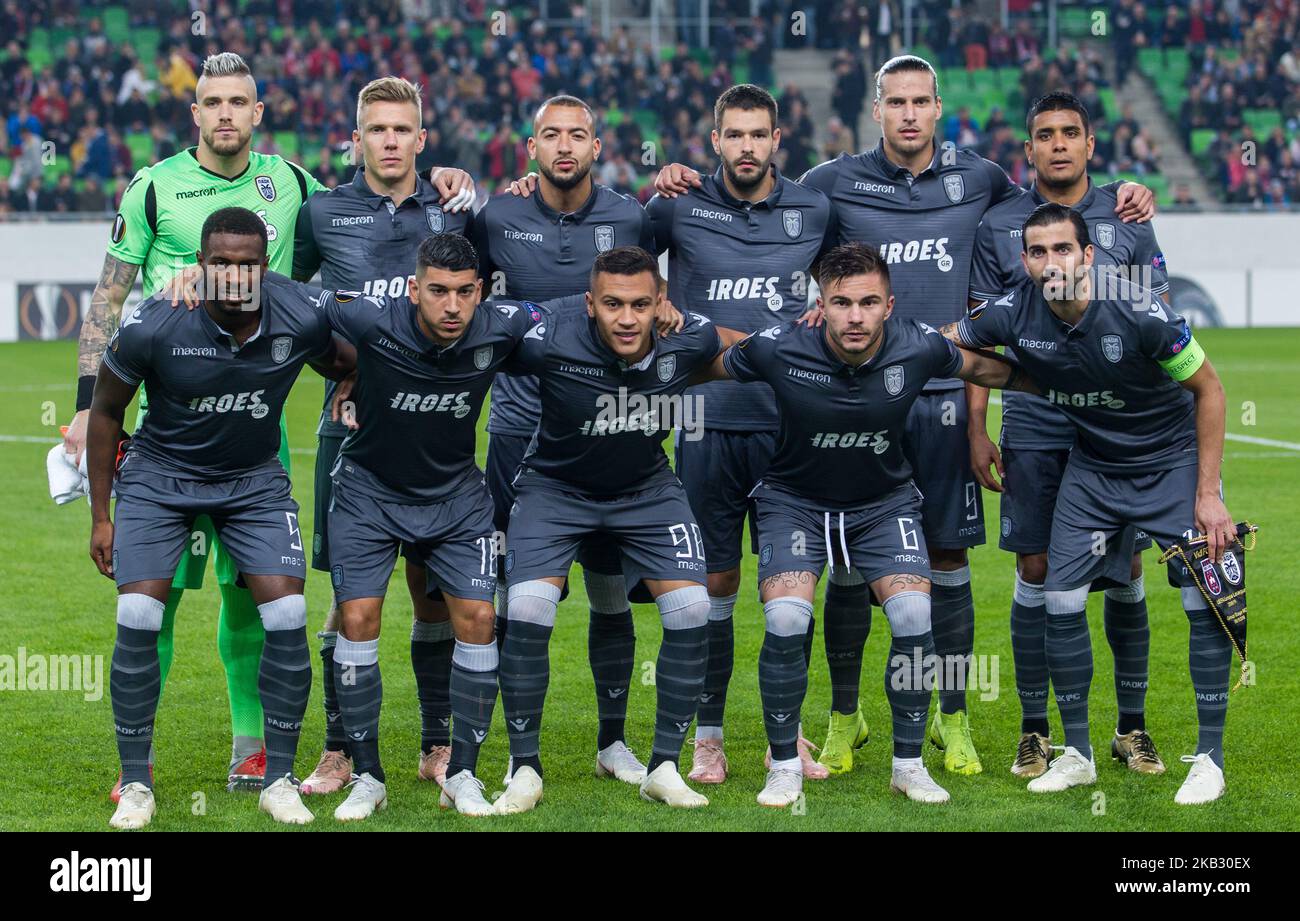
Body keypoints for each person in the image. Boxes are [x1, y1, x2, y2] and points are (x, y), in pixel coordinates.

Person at [652, 57, 1155, 778]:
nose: (910, 114)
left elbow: (1052, 210)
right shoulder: (828, 185)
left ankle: (951, 718)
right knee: (847, 561)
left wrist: (1122, 194)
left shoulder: (982, 181)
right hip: (848, 396)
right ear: (877, 110)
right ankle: (845, 716)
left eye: (922, 101)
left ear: (939, 107)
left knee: (946, 562)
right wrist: (681, 175)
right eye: (897, 102)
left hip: (942, 398)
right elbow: (770, 226)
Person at [64, 51, 474, 799]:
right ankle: (137, 767)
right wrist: (91, 399)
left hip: (255, 428)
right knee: (149, 601)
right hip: (164, 421)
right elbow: (107, 295)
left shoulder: (294, 189)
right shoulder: (152, 187)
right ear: (196, 113)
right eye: (211, 101)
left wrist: (449, 178)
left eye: (239, 102)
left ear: (259, 113)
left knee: (252, 598)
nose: (224, 113)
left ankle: (252, 748)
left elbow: (368, 207)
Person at [701, 242, 1040, 807]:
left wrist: (1075, 384)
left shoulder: (920, 345)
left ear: (889, 305)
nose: (854, 316)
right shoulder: (780, 346)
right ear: (821, 306)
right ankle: (784, 764)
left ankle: (907, 765)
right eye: (840, 303)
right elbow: (704, 364)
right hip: (796, 501)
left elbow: (987, 367)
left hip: (882, 503)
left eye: (867, 303)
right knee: (786, 617)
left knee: (912, 611)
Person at [942, 202, 1235, 805]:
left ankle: (1210, 758)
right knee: (1060, 596)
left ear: (1089, 256)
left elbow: (1210, 389)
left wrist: (1208, 494)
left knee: (1203, 597)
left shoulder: (1138, 309)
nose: (1053, 263)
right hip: (1094, 469)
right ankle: (1076, 754)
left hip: (1171, 464)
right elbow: (954, 347)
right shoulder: (1011, 310)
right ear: (1025, 260)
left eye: (1064, 250)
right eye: (1039, 252)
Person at [87, 207, 356, 828]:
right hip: (159, 479)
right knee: (139, 613)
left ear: (266, 267)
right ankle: (134, 784)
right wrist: (102, 518)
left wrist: (351, 385)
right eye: (221, 264)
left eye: (248, 264)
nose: (235, 276)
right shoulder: (155, 324)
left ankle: (279, 779)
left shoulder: (300, 311)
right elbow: (106, 412)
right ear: (200, 267)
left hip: (253, 481)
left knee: (287, 614)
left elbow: (352, 356)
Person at [494, 247, 745, 814]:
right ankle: (524, 767)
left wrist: (816, 332)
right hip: (554, 488)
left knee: (691, 610)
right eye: (611, 305)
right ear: (590, 304)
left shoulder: (688, 338)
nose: (627, 319)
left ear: (661, 304)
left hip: (646, 491)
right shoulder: (548, 338)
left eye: (639, 304)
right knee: (529, 609)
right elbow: (462, 344)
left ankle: (662, 766)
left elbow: (744, 346)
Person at [966, 91, 1171, 778]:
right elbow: (981, 333)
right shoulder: (998, 226)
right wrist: (976, 424)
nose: (1058, 144)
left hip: (1114, 428)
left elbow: (1156, 324)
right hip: (1036, 422)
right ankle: (1035, 730)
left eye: (1070, 133)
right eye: (1044, 135)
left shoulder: (1129, 216)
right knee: (1035, 569)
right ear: (1028, 150)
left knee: (1126, 569)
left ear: (1090, 143)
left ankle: (1131, 727)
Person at [644, 84, 837, 783]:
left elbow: (849, 283)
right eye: (735, 135)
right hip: (708, 421)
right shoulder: (677, 204)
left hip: (793, 424)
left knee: (792, 588)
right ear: (715, 139)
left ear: (777, 138)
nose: (748, 146)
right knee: (715, 584)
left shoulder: (815, 207)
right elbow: (619, 258)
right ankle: (710, 736)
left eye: (760, 134)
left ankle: (788, 736)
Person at [319, 234, 545, 820]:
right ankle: (368, 776)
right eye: (438, 292)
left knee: (478, 617)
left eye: (464, 293)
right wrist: (205, 281)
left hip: (456, 498)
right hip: (369, 492)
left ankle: (462, 772)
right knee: (358, 618)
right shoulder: (372, 319)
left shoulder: (500, 326)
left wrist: (666, 306)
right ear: (414, 288)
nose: (451, 306)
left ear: (481, 292)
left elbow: (577, 311)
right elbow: (293, 298)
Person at [292, 76, 473, 796]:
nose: (391, 141)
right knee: (348, 593)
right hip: (352, 429)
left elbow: (476, 299)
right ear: (357, 138)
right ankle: (340, 748)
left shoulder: (453, 208)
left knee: (432, 589)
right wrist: (342, 374)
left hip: (436, 434)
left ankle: (436, 740)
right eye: (378, 129)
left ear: (422, 139)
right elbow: (292, 310)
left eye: (404, 129)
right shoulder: (322, 212)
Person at [474, 95, 659, 786]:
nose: (563, 146)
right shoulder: (496, 215)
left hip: (606, 430)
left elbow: (659, 295)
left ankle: (613, 743)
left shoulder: (630, 216)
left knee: (609, 590)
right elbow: (455, 291)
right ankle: (518, 750)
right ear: (530, 147)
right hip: (518, 430)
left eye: (576, 135)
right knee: (512, 592)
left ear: (596, 144)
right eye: (550, 134)